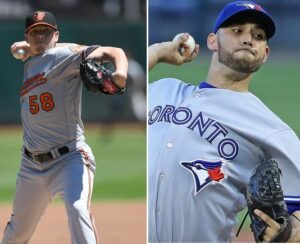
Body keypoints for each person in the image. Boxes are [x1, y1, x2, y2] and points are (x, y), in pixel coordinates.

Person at [148, 1, 300, 242]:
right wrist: (157, 51)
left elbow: (297, 223)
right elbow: (120, 83)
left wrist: (288, 234)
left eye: (258, 36)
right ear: (212, 41)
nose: (248, 39)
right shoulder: (164, 89)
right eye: (237, 31)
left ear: (265, 54)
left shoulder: (273, 131)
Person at [3, 10, 128, 244]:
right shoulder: (30, 59)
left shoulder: (67, 55)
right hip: (30, 164)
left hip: (69, 158)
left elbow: (114, 52)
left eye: (46, 31)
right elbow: (29, 50)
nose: (41, 36)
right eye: (35, 32)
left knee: (78, 208)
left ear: (56, 35)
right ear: (27, 36)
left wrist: (120, 73)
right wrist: (25, 48)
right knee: (17, 231)